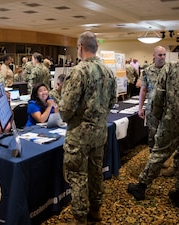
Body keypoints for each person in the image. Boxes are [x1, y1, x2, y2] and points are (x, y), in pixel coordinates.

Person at [127, 37, 179, 209]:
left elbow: (158, 95)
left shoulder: (170, 68)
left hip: (172, 121)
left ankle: (141, 186)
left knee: (159, 153)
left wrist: (156, 118)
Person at [59, 31, 117, 224]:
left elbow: (65, 110)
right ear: (96, 47)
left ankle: (80, 218)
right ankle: (95, 210)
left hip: (79, 136)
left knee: (77, 177)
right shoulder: (109, 72)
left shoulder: (78, 71)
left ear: (80, 47)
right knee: (95, 172)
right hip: (100, 133)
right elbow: (112, 101)